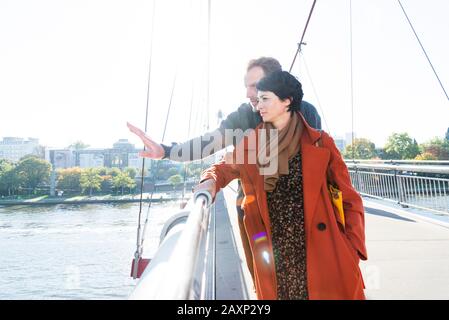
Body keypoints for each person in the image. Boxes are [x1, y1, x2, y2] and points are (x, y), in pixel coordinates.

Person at [127, 57, 321, 283]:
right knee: (265, 281)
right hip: (254, 215)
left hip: (298, 215)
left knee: (306, 281)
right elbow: (209, 143)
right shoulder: (243, 116)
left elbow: (315, 166)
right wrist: (166, 151)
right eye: (246, 86)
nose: (249, 93)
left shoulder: (306, 114)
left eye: (255, 86)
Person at [195, 71, 367, 300]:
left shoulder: (320, 142)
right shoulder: (252, 144)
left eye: (265, 99)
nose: (258, 106)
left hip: (323, 255)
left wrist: (352, 249)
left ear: (287, 101)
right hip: (275, 258)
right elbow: (223, 168)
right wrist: (209, 181)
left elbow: (350, 199)